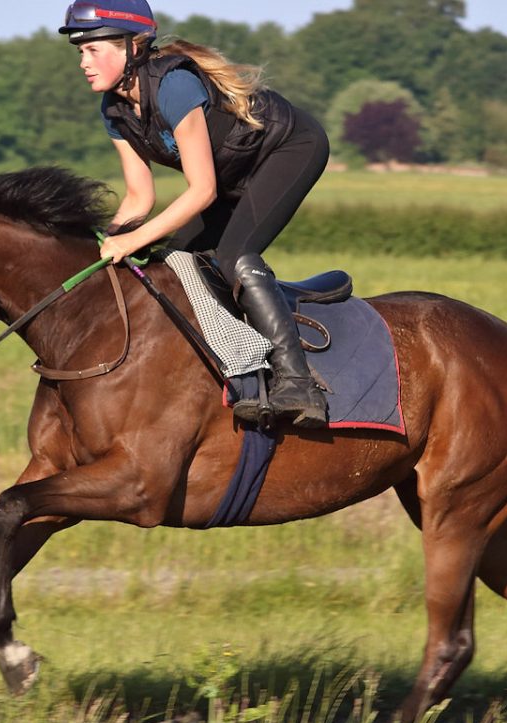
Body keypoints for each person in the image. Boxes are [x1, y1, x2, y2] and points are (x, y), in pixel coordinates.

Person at [59, 0, 331, 429]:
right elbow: (138, 198)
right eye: (79, 51)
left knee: (235, 256)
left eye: (93, 50)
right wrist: (102, 245)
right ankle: (235, 362)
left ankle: (299, 385)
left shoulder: (174, 87)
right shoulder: (113, 110)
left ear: (133, 47)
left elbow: (202, 191)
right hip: (229, 174)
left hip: (288, 149)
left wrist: (132, 240)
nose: (83, 63)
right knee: (174, 261)